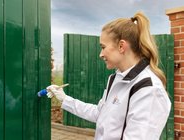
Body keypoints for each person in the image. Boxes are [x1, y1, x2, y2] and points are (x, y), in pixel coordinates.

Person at [47, 12, 171, 140]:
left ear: (121, 46)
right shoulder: (116, 78)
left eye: (103, 47)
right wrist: (65, 99)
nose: (101, 54)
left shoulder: (149, 89)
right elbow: (100, 113)